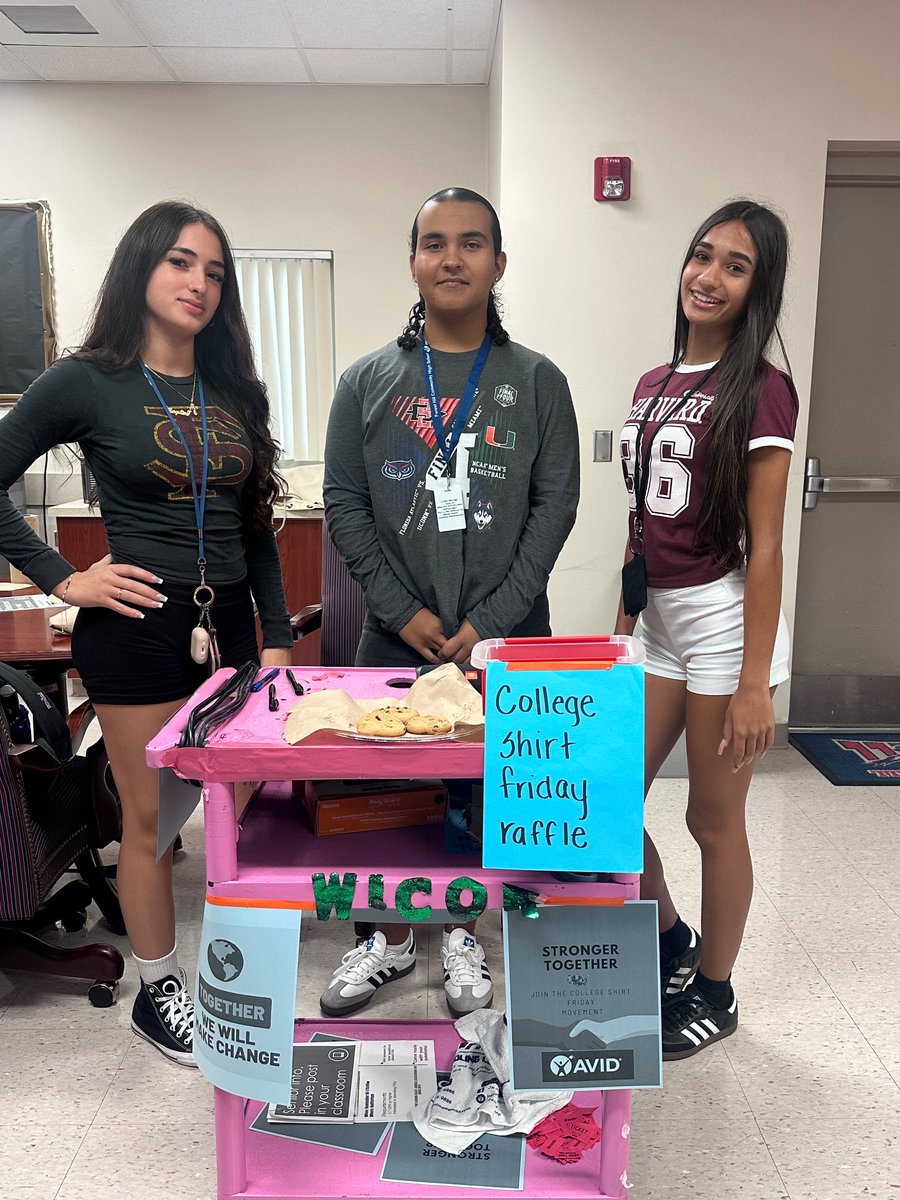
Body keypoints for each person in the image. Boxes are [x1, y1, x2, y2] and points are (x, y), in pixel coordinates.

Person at [0, 201, 293, 1065]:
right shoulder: (86, 379)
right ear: (140, 268)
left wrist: (275, 636)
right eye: (179, 262)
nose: (198, 282)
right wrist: (63, 577)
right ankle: (160, 989)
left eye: (213, 270)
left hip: (231, 627)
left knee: (241, 811)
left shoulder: (235, 389)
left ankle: (239, 983)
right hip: (134, 627)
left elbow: (255, 524)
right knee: (151, 821)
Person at [323, 186, 580, 1018]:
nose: (452, 257)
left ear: (498, 264)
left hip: (506, 641)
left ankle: (465, 934)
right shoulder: (366, 381)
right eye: (434, 242)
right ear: (412, 263)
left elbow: (556, 507)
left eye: (472, 243)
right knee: (382, 800)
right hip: (395, 637)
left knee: (487, 792)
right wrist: (406, 615)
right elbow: (344, 502)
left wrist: (485, 625)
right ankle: (388, 941)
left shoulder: (538, 381)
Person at [614, 200, 799, 1059]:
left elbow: (766, 550)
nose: (709, 274)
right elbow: (639, 527)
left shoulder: (762, 388)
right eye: (702, 255)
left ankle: (718, 992)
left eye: (735, 265)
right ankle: (669, 940)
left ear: (757, 289)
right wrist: (619, 635)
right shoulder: (655, 383)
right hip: (656, 625)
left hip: (727, 624)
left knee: (711, 821)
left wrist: (757, 679)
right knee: (608, 797)